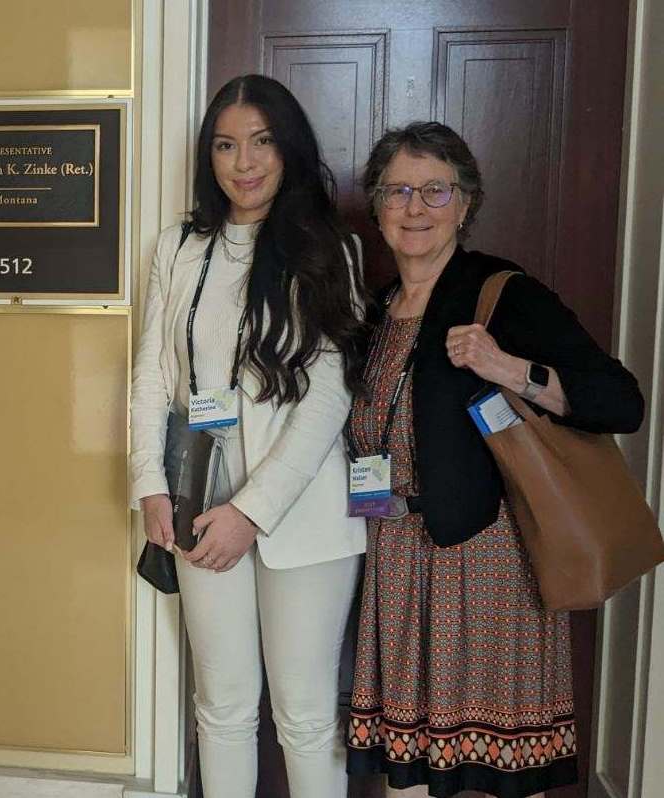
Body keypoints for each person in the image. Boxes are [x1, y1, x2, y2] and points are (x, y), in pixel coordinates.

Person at [345, 121, 644, 798]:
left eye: (434, 190)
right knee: (409, 770)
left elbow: (619, 402)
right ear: (376, 204)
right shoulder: (376, 306)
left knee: (497, 770)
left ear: (466, 204)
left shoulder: (501, 293)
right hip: (394, 554)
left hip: (484, 563)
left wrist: (506, 367)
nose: (414, 208)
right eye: (397, 191)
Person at [130, 74, 367, 797]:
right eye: (226, 145)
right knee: (222, 707)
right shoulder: (180, 244)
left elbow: (328, 399)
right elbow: (150, 374)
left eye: (261, 142)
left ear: (288, 149)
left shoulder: (331, 249)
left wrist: (250, 512)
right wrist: (149, 484)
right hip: (199, 498)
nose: (244, 162)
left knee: (301, 714)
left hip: (304, 512)